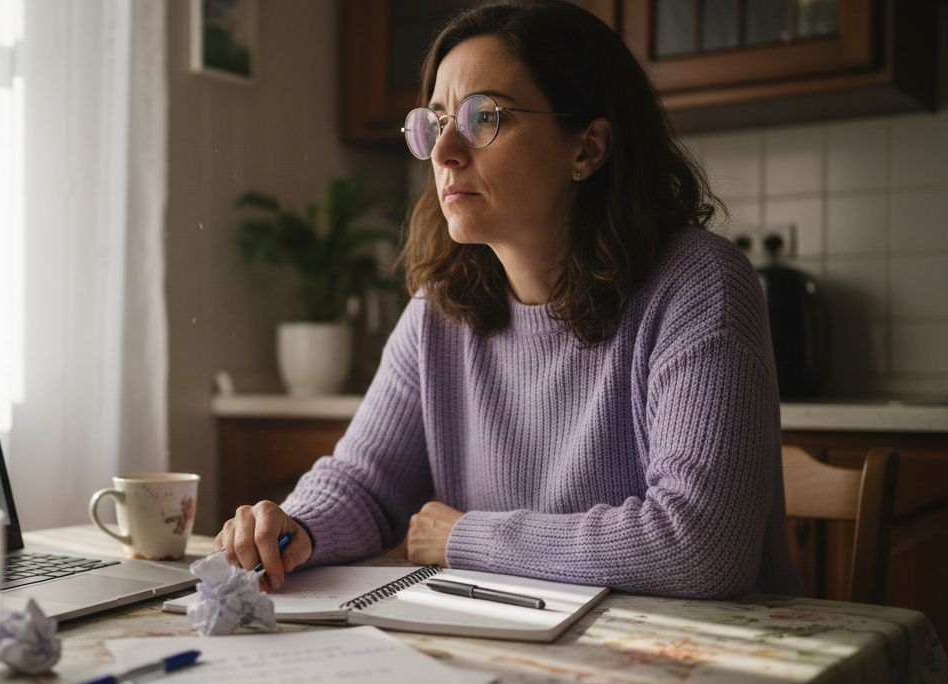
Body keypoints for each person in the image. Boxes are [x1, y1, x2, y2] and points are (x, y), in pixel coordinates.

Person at [215, 0, 801, 599]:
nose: (444, 153)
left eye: (484, 117)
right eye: (436, 122)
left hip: (700, 665)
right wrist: (297, 525)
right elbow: (365, 483)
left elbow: (699, 547)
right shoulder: (438, 311)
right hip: (513, 648)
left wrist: (466, 537)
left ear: (587, 149)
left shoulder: (698, 282)